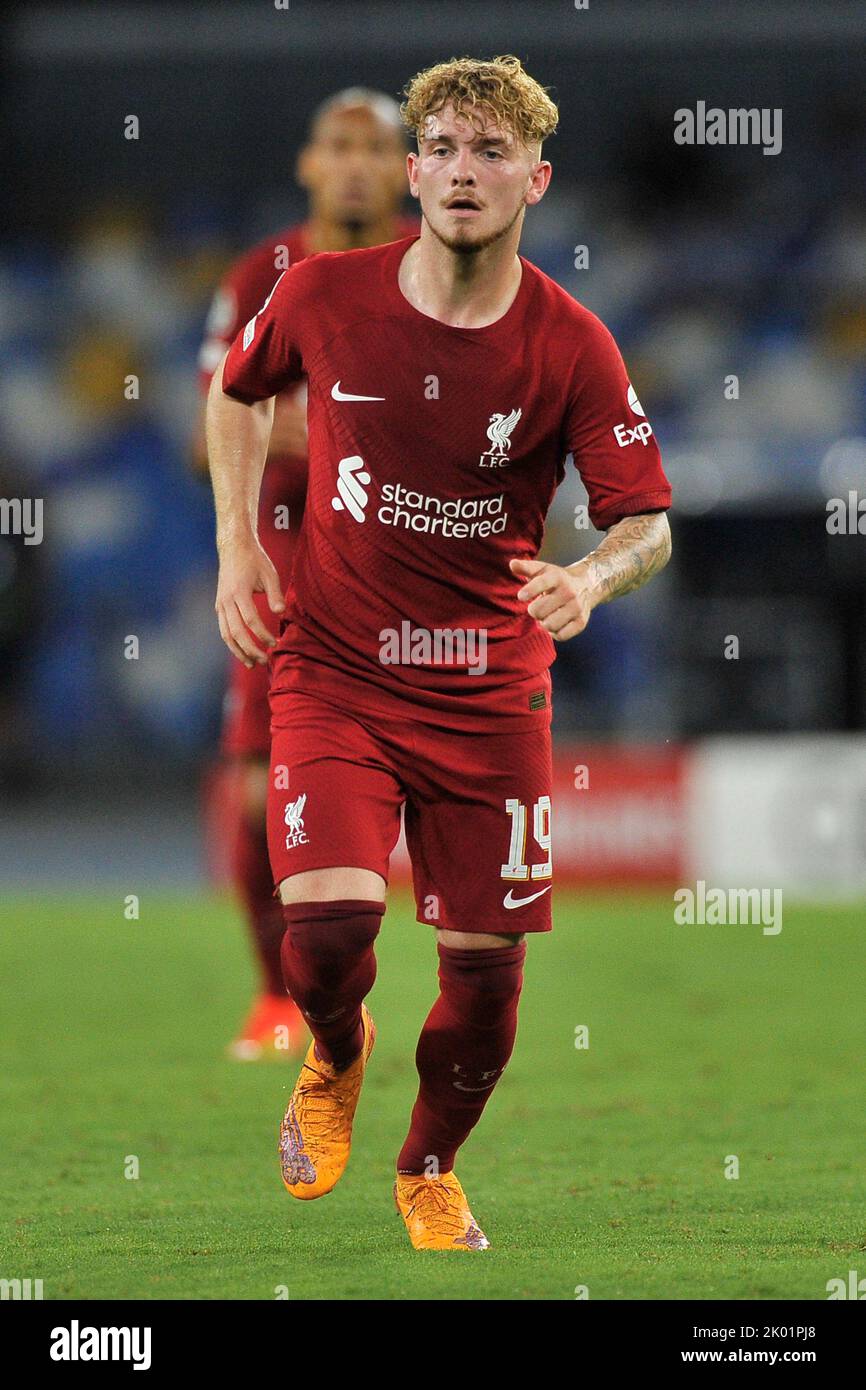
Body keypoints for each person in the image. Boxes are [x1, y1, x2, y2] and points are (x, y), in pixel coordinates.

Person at [206, 55, 672, 1248]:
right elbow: (233, 391)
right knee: (326, 932)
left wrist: (588, 575)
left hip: (487, 690)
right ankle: (336, 1045)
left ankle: (427, 1164)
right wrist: (238, 550)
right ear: (413, 173)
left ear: (535, 179)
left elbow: (645, 522)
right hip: (337, 667)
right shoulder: (319, 295)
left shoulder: (570, 344)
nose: (465, 174)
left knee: (482, 974)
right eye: (446, 151)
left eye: (491, 154)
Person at [193, 88, 415, 1059]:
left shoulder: (436, 262)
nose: (357, 163)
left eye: (377, 147)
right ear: (309, 163)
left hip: (410, 551)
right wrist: (353, 433)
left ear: (407, 167)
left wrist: (301, 425)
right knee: (254, 787)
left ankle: (441, 984)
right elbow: (214, 425)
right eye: (340, 145)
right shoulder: (260, 274)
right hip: (286, 550)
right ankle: (275, 993)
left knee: (429, 772)